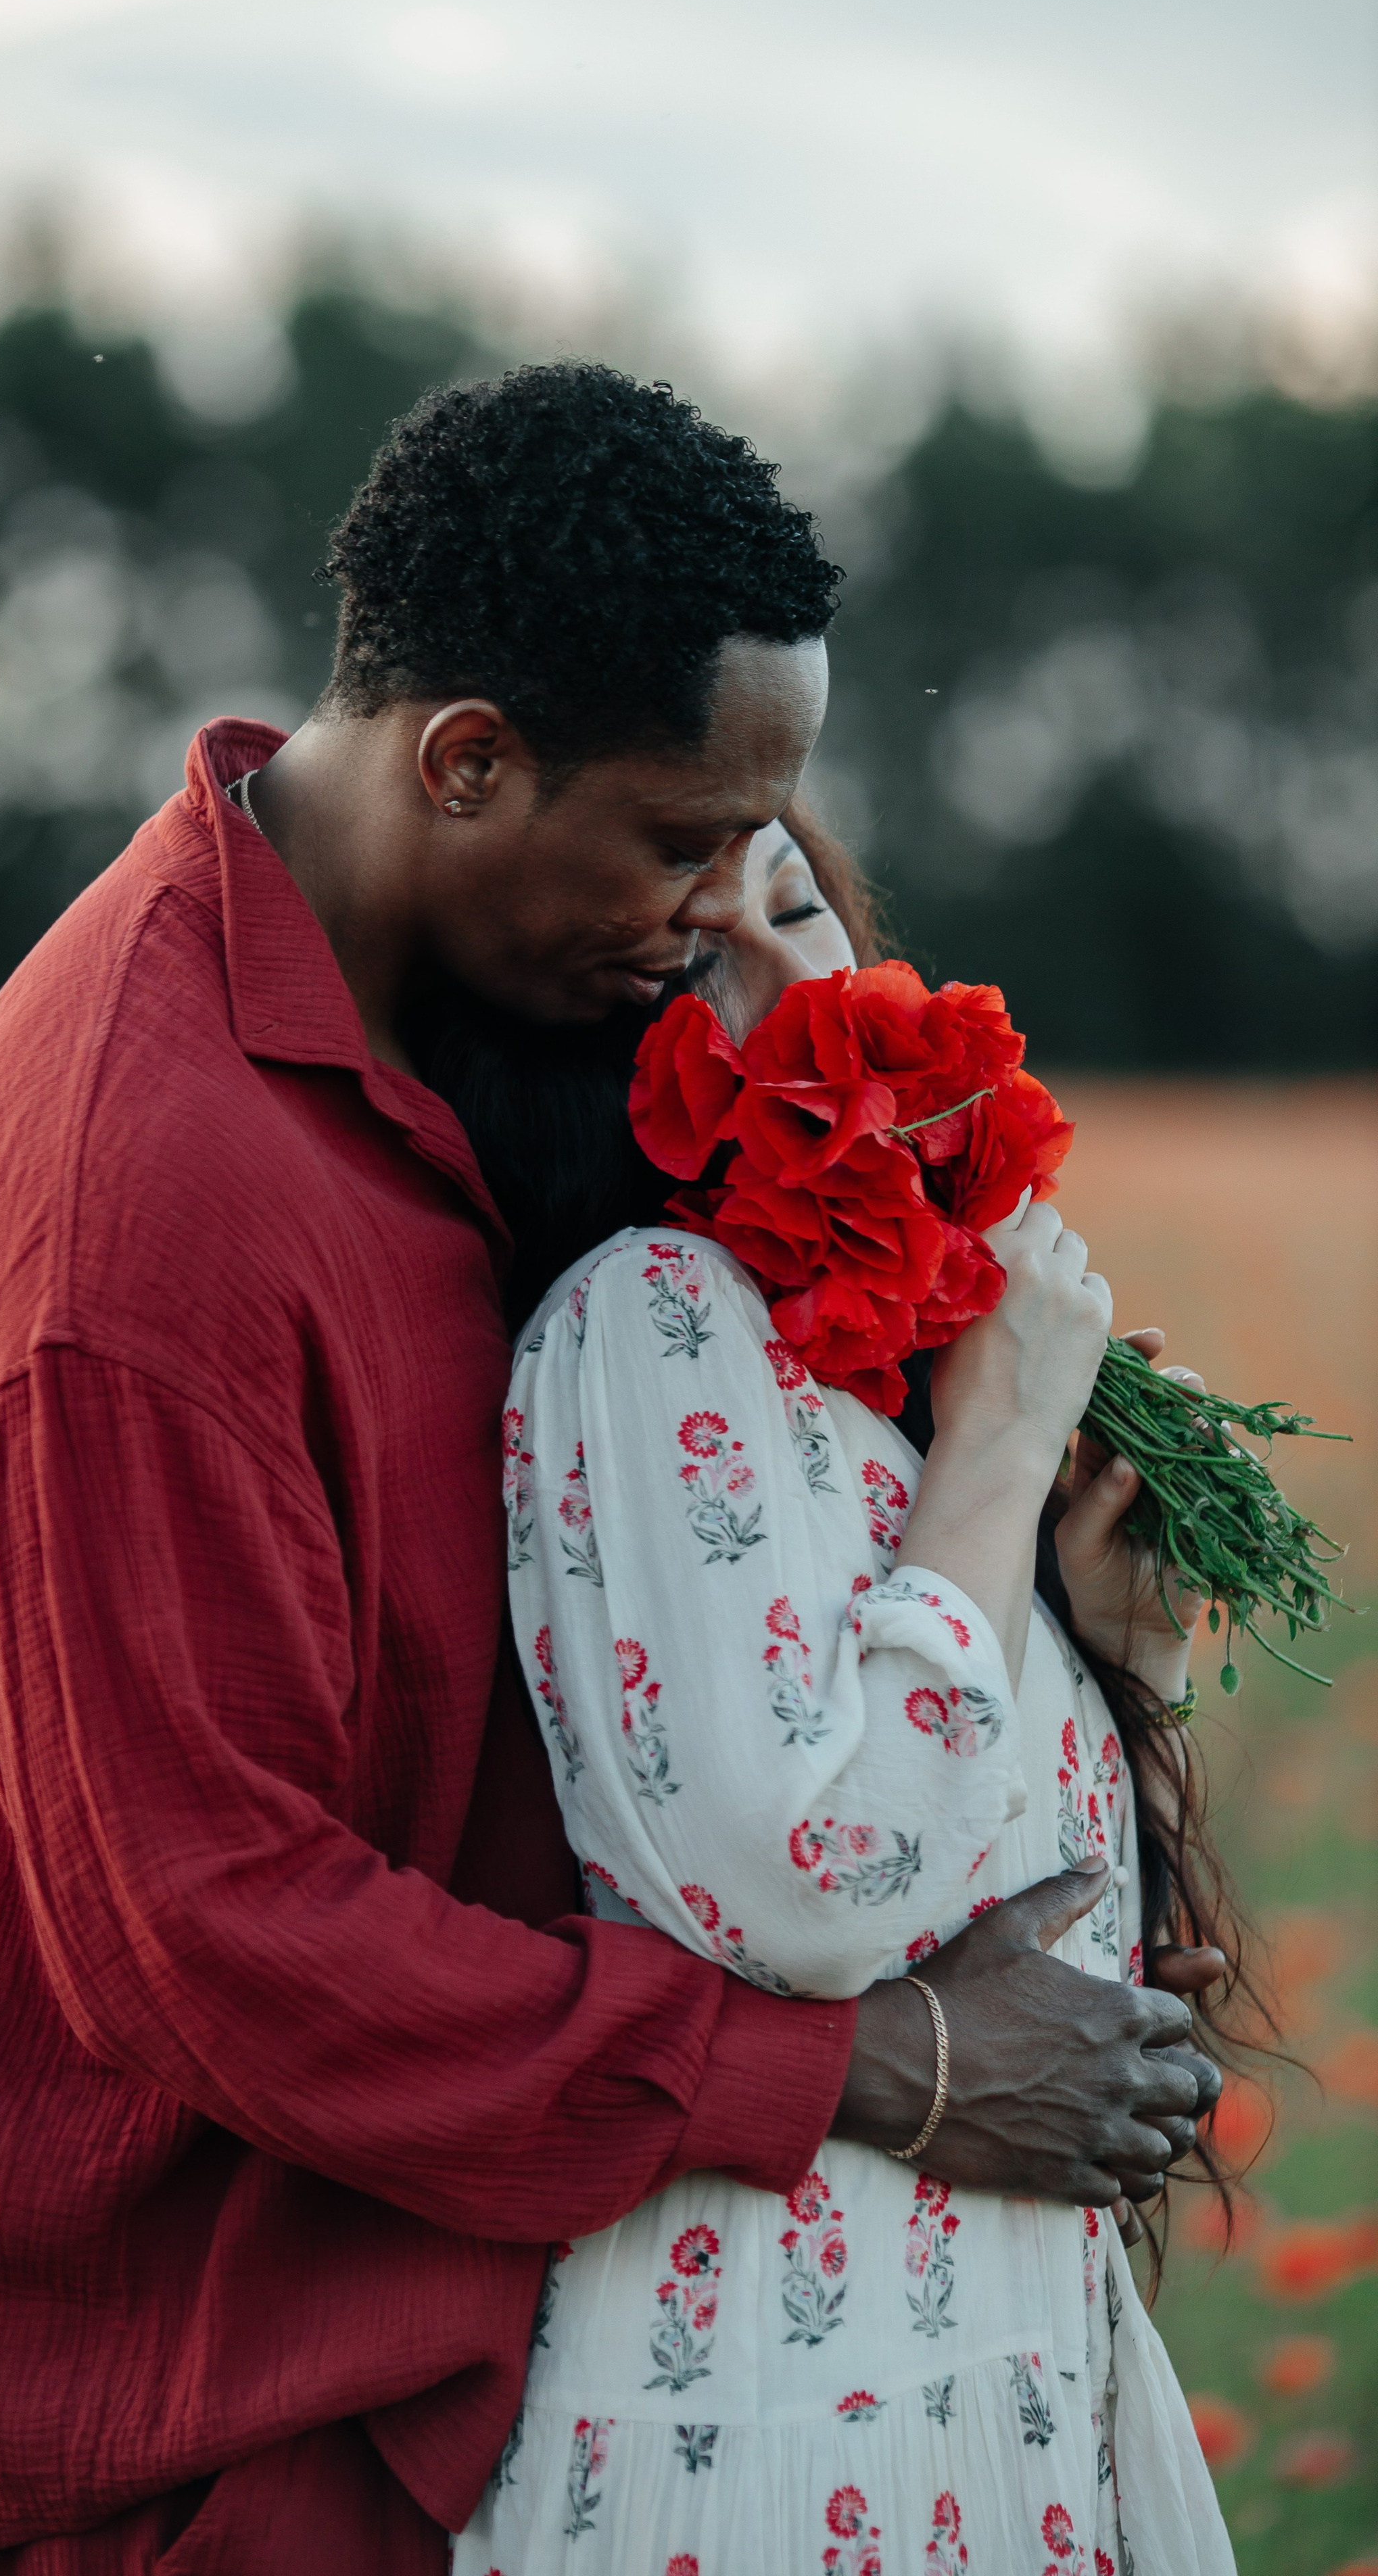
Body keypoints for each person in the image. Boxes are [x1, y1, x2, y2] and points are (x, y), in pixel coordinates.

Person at [0, 366, 1220, 2576]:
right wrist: (879, 2071)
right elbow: (216, 1945)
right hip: (214, 2432)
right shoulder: (133, 1214)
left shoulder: (493, 1034)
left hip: (492, 2367)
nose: (715, 914)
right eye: (681, 843)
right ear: (468, 758)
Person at [443, 811, 1239, 2573]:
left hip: (992, 2388)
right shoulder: (639, 1323)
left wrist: (1128, 1672)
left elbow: (1057, 1932)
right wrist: (1011, 1434)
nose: (807, 979)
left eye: (804, 908)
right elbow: (821, 1891)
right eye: (701, 957)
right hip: (786, 2446)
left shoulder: (890, 1376)